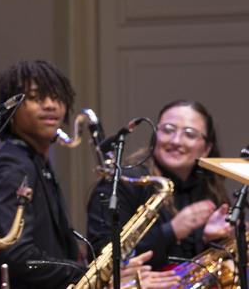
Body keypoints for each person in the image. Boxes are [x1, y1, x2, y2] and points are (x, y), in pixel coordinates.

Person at [0, 60, 177, 288]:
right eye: (35, 98)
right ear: (11, 109)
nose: (51, 105)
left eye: (56, 96)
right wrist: (89, 273)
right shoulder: (10, 165)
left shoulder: (36, 163)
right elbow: (18, 256)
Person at [87, 100, 231, 270]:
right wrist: (171, 231)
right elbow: (100, 257)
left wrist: (211, 240)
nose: (176, 141)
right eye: (168, 130)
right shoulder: (123, 182)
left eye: (190, 134)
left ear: (206, 148)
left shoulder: (210, 189)